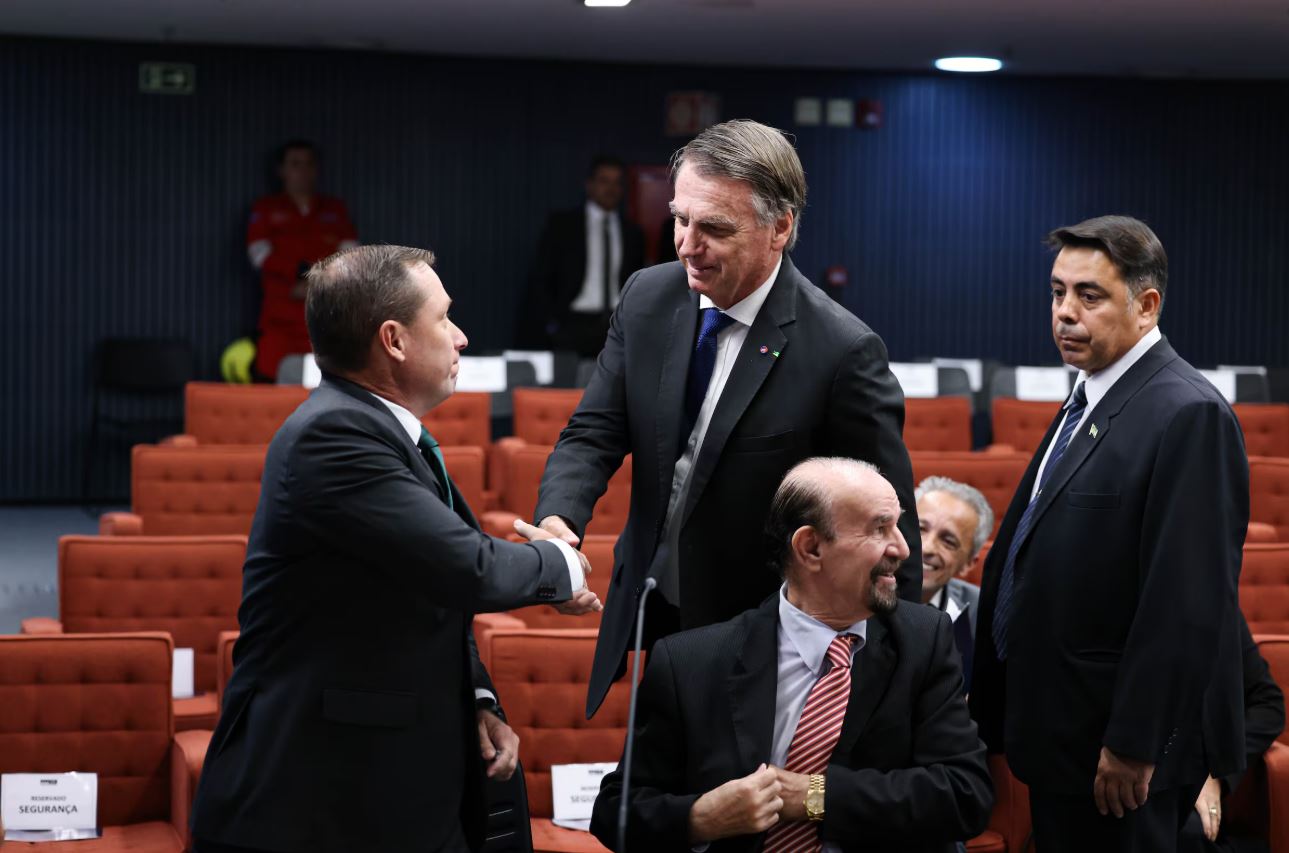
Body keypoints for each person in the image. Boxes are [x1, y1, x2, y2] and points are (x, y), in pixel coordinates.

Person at [190, 245, 601, 853]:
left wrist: (480, 702)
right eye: (443, 319)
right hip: (317, 800)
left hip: (392, 784)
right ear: (394, 340)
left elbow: (426, 593)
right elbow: (466, 567)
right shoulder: (333, 435)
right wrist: (562, 564)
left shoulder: (381, 432)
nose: (460, 338)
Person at [534, 119, 920, 718]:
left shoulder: (843, 351)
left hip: (764, 637)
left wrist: (903, 674)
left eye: (714, 228)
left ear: (780, 228)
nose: (687, 244)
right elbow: (594, 431)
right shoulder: (647, 297)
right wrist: (561, 519)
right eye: (680, 219)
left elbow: (892, 531)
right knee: (648, 803)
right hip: (650, 611)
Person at [969, 216, 1249, 851]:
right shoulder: (1091, 396)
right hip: (1062, 733)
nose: (1065, 312)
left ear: (1146, 306)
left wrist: (1134, 742)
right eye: (1057, 291)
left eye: (1088, 295)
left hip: (1118, 756)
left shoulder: (1187, 413)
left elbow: (1185, 604)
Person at [590, 458, 992, 853]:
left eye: (898, 525)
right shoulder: (691, 661)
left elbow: (965, 794)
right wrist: (700, 818)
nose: (904, 548)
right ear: (811, 547)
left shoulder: (924, 640)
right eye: (879, 529)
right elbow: (615, 814)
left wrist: (816, 796)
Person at [246, 139, 358, 380]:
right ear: (282, 171)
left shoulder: (334, 209)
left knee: (328, 387)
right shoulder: (266, 208)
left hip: (326, 319)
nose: (303, 170)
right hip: (280, 320)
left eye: (308, 164)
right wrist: (295, 273)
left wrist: (317, 281)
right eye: (295, 164)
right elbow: (259, 254)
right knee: (274, 390)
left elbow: (351, 256)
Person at [1181, 613, 1284, 851]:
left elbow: (1269, 704)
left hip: (1195, 782)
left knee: (1194, 833)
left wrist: (1218, 774)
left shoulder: (1223, 611)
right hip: (1129, 776)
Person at [524, 154, 646, 355]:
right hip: (572, 325)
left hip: (617, 325)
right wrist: (552, 323)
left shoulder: (632, 232)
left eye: (617, 183)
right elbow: (542, 276)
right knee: (569, 385)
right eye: (604, 181)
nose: (611, 189)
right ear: (589, 185)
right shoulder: (563, 225)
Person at [916, 476, 993, 684]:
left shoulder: (982, 613)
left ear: (968, 563)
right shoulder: (859, 593)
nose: (927, 548)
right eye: (920, 529)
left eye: (948, 541)